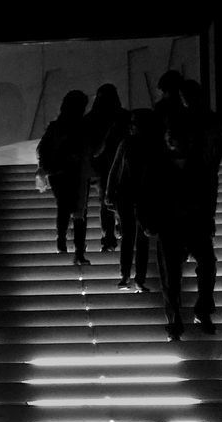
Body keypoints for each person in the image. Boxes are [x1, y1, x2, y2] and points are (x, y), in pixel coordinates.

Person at [154, 80, 219, 339]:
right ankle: (180, 317)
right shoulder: (182, 165)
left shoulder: (187, 165)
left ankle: (183, 316)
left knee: (196, 267)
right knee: (174, 274)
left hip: (189, 221)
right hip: (177, 223)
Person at [105, 108, 159, 291]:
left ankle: (131, 277)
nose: (132, 126)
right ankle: (132, 277)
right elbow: (115, 169)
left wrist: (110, 192)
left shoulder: (132, 143)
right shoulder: (135, 143)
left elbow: (115, 170)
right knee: (133, 237)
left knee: (136, 237)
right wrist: (110, 192)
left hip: (135, 194)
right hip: (132, 195)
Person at [37, 90, 93, 263]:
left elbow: (42, 148)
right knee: (78, 210)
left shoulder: (56, 126)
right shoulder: (82, 126)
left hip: (58, 172)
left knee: (64, 206)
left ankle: (62, 241)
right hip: (75, 171)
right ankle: (78, 251)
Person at [86, 84, 129, 251]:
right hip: (119, 166)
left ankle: (109, 236)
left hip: (102, 167)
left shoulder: (92, 119)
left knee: (105, 201)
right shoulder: (123, 116)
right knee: (116, 200)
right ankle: (117, 231)